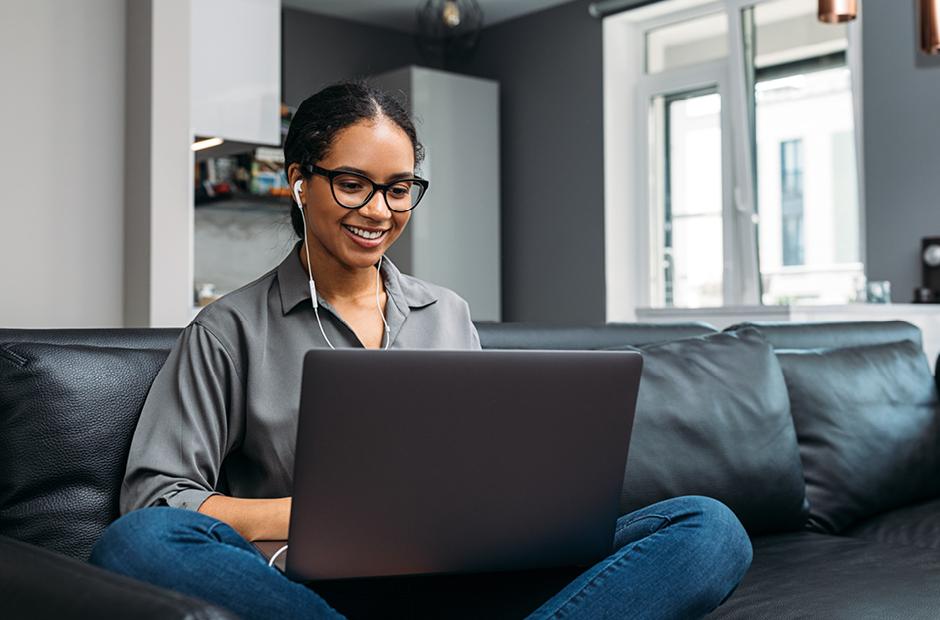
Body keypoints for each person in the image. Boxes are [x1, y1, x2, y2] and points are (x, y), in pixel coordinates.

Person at [90, 82, 752, 619]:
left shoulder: (448, 312)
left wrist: (514, 503)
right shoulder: (228, 329)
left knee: (709, 527)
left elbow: (487, 465)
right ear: (299, 181)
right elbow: (155, 500)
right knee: (139, 545)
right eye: (353, 183)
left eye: (398, 187)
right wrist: (333, 517)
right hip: (314, 595)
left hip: (468, 574)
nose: (378, 210)